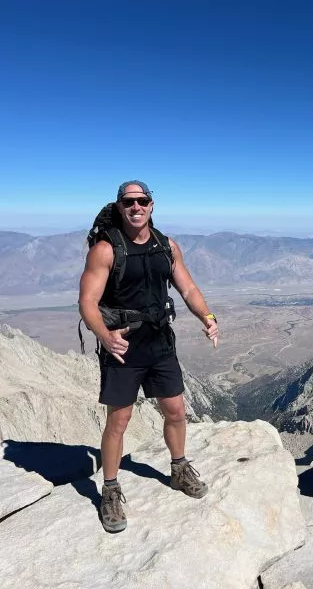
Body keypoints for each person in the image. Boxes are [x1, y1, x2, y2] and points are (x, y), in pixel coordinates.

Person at [79, 180, 219, 533]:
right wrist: (106, 336)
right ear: (120, 206)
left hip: (160, 342)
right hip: (123, 345)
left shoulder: (166, 247)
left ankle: (179, 469)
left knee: (175, 410)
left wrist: (208, 317)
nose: (136, 207)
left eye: (142, 201)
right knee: (119, 421)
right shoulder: (106, 249)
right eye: (129, 202)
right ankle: (110, 490)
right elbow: (87, 302)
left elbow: (187, 287)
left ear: (152, 206)